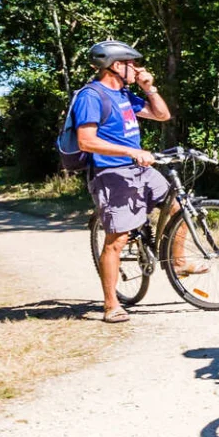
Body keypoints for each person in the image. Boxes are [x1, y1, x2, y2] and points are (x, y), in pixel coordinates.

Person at [72, 40, 197, 324]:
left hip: (140, 168)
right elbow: (86, 140)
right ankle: (111, 304)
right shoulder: (91, 96)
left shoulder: (125, 95)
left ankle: (177, 263)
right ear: (116, 66)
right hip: (112, 174)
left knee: (177, 206)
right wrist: (131, 151)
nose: (137, 68)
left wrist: (148, 87)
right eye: (132, 64)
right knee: (117, 240)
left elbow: (162, 115)